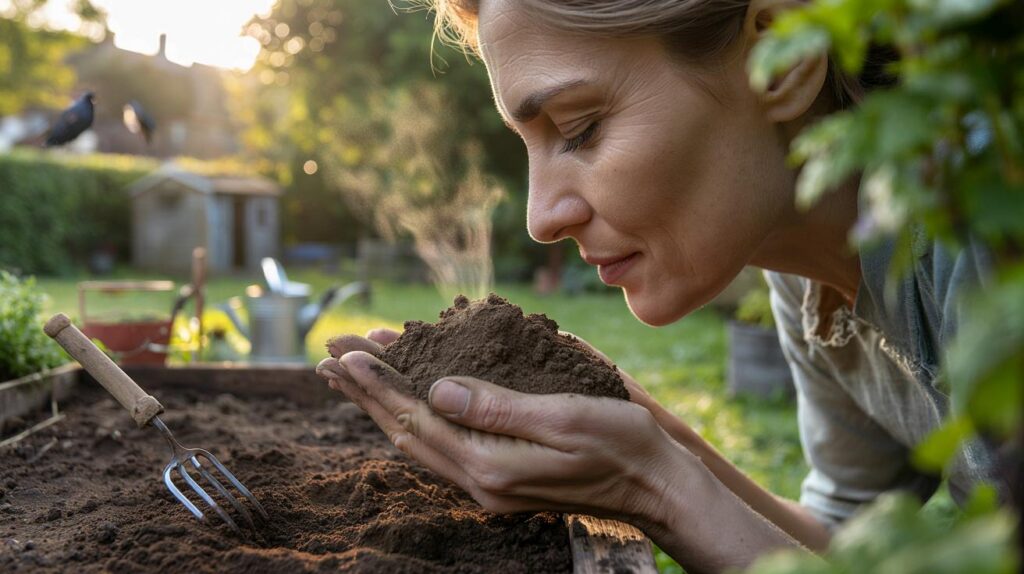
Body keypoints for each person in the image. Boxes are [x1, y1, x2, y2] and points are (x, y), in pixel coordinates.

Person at [315, 1, 999, 572]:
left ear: (783, 60)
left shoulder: (990, 240)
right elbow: (842, 545)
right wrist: (652, 435)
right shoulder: (803, 272)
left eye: (579, 130)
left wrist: (652, 486)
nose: (541, 218)